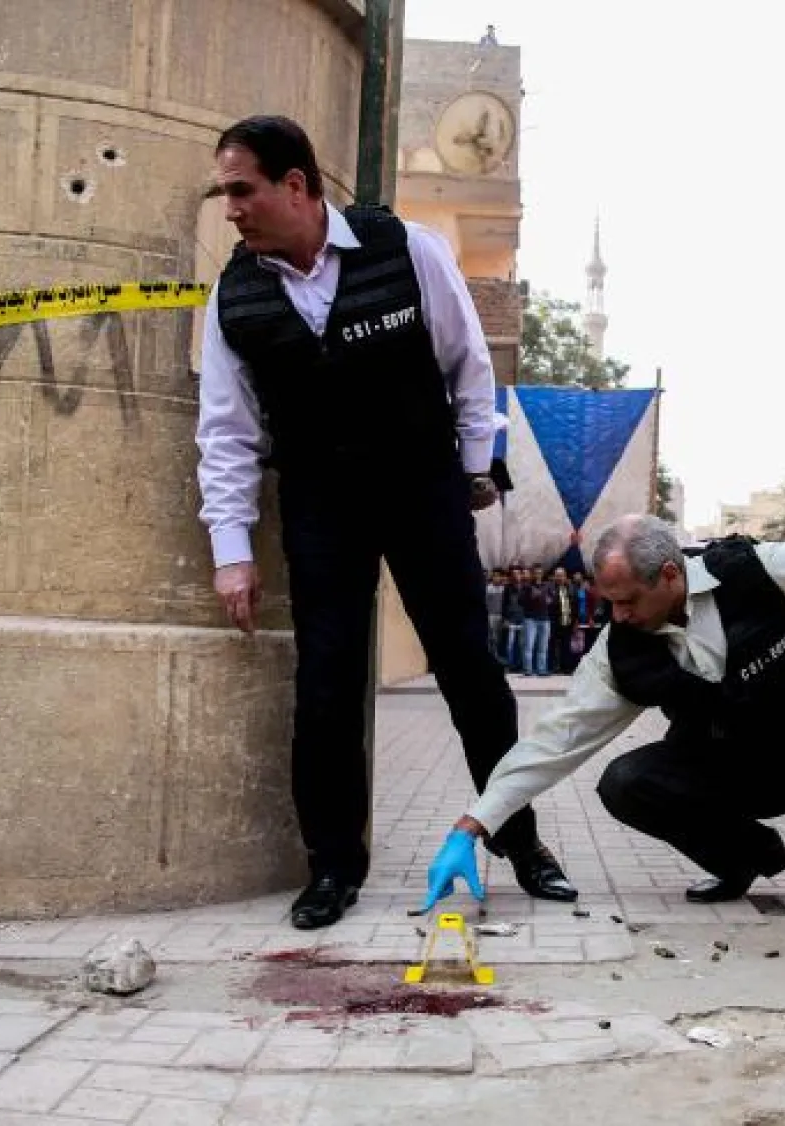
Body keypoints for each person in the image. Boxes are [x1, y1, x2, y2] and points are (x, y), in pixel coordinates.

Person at [194, 115, 576, 928]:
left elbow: (469, 365)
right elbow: (225, 433)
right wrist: (232, 550)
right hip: (321, 503)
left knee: (470, 672)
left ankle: (519, 839)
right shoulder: (236, 294)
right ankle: (333, 864)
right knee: (326, 684)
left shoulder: (406, 248)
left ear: (295, 184)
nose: (230, 208)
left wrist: (475, 467)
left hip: (420, 487)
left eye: (241, 188)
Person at [420, 515, 785, 960]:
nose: (618, 616)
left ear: (670, 575)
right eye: (610, 603)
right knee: (625, 781)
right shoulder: (620, 649)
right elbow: (556, 741)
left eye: (628, 602)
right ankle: (742, 860)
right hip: (737, 771)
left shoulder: (754, 569)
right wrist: (471, 826)